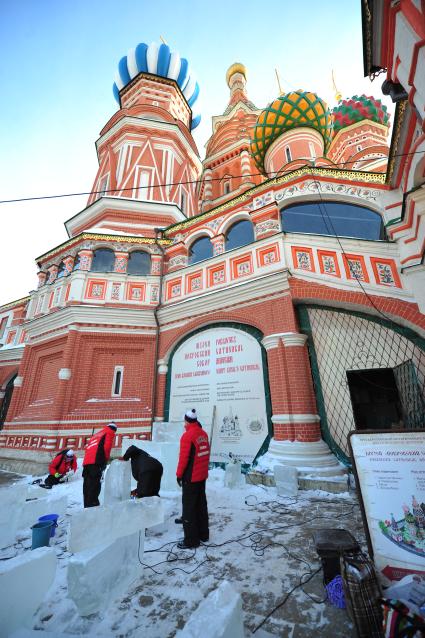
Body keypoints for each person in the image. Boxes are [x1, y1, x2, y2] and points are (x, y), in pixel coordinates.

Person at [176, 408, 210, 549]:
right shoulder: (203, 433)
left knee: (189, 508)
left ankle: (191, 541)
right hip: (201, 476)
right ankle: (204, 534)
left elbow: (184, 459)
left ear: (187, 421)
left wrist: (179, 475)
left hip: (191, 477)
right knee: (201, 505)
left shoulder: (187, 436)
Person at [82, 422, 117, 507]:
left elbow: (87, 448)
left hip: (87, 462)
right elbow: (107, 446)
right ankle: (93, 505)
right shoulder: (110, 432)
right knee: (94, 483)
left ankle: (87, 504)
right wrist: (105, 459)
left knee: (86, 483)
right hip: (97, 461)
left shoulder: (97, 434)